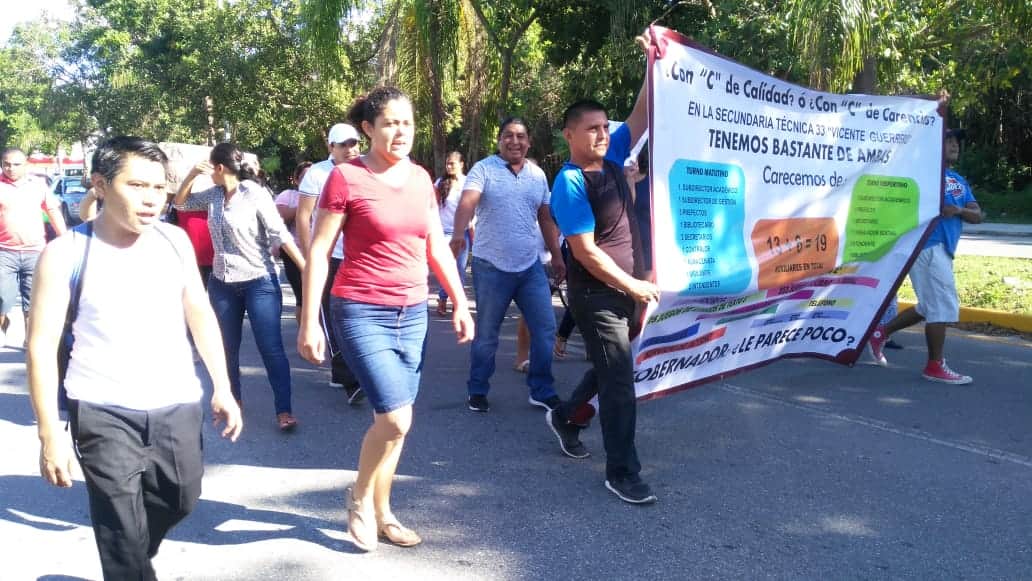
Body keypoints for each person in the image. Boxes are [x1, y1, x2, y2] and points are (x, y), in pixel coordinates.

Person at [26, 136, 241, 580]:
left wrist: (223, 385)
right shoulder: (66, 252)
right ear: (100, 185)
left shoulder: (174, 241)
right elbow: (42, 345)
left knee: (181, 497)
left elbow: (198, 312)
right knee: (120, 526)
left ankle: (134, 560)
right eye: (137, 186)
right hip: (101, 408)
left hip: (176, 400)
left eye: (159, 189)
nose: (151, 200)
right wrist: (50, 434)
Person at [298, 86, 473, 551]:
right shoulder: (346, 179)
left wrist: (458, 299)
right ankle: (357, 500)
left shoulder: (420, 179)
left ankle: (383, 511)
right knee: (395, 419)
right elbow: (317, 250)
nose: (400, 131)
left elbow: (435, 243)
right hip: (359, 307)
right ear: (369, 129)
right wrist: (308, 320)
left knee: (396, 420)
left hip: (412, 312)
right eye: (391, 122)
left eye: (407, 122)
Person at [546, 62, 660, 504]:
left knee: (613, 366)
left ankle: (567, 417)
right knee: (618, 383)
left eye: (604, 127)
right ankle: (622, 472)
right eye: (592, 128)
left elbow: (642, 115)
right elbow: (586, 252)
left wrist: (654, 58)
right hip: (596, 297)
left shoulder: (613, 161)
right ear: (569, 135)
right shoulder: (570, 183)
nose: (602, 134)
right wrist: (633, 287)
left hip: (629, 291)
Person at [174, 142, 306, 430]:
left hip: (259, 281)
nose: (209, 173)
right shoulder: (214, 195)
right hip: (223, 284)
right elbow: (180, 203)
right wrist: (191, 175)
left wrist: (306, 269)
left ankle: (284, 410)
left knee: (270, 348)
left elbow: (279, 233)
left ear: (220, 168)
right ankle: (233, 401)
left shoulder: (254, 193)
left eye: (210, 168)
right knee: (226, 348)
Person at [450, 118, 565, 413]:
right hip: (491, 267)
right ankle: (477, 389)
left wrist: (558, 254)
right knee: (487, 334)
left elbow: (545, 216)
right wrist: (458, 238)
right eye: (508, 136)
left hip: (529, 267)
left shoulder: (537, 175)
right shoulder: (484, 169)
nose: (515, 141)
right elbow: (467, 202)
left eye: (521, 136)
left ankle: (541, 389)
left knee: (546, 329)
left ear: (529, 142)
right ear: (499, 140)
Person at [867, 128, 982, 383]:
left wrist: (960, 210)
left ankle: (880, 333)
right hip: (928, 245)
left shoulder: (959, 180)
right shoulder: (925, 175)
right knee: (941, 306)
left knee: (929, 305)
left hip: (944, 249)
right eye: (948, 141)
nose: (954, 146)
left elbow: (977, 214)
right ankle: (934, 365)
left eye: (956, 142)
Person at [296, 123, 365, 403]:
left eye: (354, 143)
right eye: (343, 145)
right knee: (331, 316)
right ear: (331, 148)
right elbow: (303, 216)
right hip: (328, 257)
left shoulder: (366, 169)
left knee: (355, 316)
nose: (350, 149)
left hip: (356, 257)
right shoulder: (317, 174)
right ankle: (351, 380)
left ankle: (344, 373)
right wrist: (307, 256)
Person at [1, 147, 67, 344]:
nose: (10, 168)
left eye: (16, 164)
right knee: (2, 301)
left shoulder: (38, 186)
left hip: (36, 252)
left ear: (26, 165)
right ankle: (4, 323)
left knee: (34, 303)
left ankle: (30, 341)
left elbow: (53, 212)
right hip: (4, 253)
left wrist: (65, 241)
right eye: (6, 164)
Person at [435, 151, 472, 316]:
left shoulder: (468, 183)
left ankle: (458, 303)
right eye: (447, 163)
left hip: (462, 232)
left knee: (460, 269)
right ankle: (443, 299)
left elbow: (472, 210)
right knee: (447, 268)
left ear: (461, 164)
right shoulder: (440, 183)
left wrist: (473, 233)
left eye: (453, 163)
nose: (449, 166)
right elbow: (433, 208)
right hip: (444, 232)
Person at [275, 161, 314, 311]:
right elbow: (280, 218)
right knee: (303, 298)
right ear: (296, 180)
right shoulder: (288, 195)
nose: (310, 179)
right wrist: (306, 205)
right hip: (294, 252)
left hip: (320, 252)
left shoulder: (326, 194)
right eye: (305, 176)